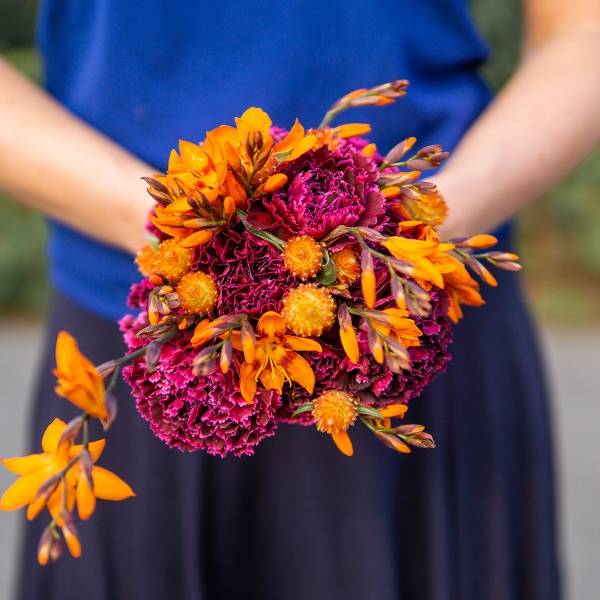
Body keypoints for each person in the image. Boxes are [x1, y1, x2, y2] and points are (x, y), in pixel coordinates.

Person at [1, 1, 599, 599]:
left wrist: (410, 237)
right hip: (147, 334)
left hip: (413, 316)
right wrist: (187, 231)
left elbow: (584, 29)